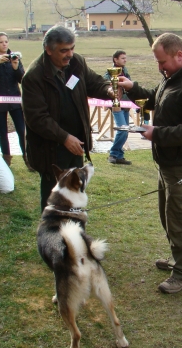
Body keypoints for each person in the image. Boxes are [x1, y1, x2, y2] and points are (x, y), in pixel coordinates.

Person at [118, 33, 182, 294]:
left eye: (163, 62)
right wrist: (131, 87)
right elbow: (155, 99)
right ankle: (179, 260)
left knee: (179, 219)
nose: (160, 68)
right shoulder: (173, 78)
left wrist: (156, 134)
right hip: (168, 163)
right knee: (168, 216)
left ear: (179, 55)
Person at [21, 26, 114, 212]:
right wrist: (64, 138)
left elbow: (94, 82)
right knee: (54, 201)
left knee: (75, 193)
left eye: (72, 48)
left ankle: (74, 230)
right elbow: (37, 118)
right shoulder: (34, 76)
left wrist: (109, 91)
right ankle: (52, 236)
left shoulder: (77, 63)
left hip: (75, 145)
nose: (70, 54)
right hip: (51, 150)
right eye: (64, 50)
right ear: (48, 49)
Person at [0, 32, 32, 170]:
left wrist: (16, 67)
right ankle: (6, 161)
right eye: (1, 42)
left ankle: (27, 158)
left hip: (15, 101)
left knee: (21, 130)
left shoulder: (14, 57)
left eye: (6, 41)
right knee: (2, 132)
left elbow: (22, 79)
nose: (4, 44)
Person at [104, 50, 132, 165]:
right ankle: (113, 153)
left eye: (125, 58)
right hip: (116, 104)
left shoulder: (125, 71)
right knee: (122, 129)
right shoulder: (109, 73)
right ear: (115, 59)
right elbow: (104, 84)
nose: (125, 60)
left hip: (126, 104)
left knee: (125, 130)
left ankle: (119, 156)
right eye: (122, 58)